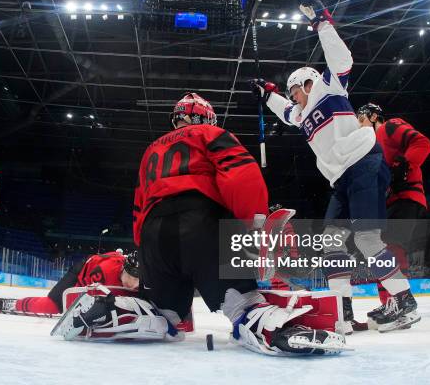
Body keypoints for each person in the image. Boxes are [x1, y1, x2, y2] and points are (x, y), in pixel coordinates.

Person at [54, 91, 346, 355]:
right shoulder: (212, 133)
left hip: (153, 238)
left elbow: (139, 205)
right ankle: (272, 328)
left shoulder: (151, 149)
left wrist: (145, 253)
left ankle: (119, 310)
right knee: (242, 304)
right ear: (207, 117)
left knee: (165, 315)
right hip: (203, 225)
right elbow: (242, 175)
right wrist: (253, 226)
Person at [249, 0, 419, 333]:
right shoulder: (300, 113)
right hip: (341, 178)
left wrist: (322, 23)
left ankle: (404, 302)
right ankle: (342, 310)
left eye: (293, 90)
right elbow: (285, 111)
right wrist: (267, 94)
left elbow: (341, 59)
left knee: (368, 240)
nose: (293, 96)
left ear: (305, 84)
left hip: (363, 163)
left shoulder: (329, 87)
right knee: (331, 243)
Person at [357, 103, 430, 322]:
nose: (359, 126)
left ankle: (400, 303)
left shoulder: (389, 126)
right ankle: (390, 302)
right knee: (382, 250)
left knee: (391, 247)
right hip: (391, 203)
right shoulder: (372, 146)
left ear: (372, 116)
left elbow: (422, 142)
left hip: (406, 197)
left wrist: (404, 164)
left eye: (360, 120)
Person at [0, 251, 139, 314]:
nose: (134, 285)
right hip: (81, 272)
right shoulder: (103, 271)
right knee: (52, 306)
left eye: (139, 281)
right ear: (124, 269)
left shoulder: (142, 282)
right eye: (132, 277)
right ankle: (14, 304)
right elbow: (79, 304)